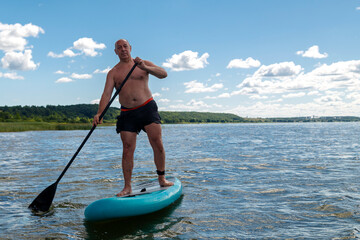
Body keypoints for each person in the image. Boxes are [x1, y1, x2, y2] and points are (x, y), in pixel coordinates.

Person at [93, 39, 173, 196]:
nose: (123, 49)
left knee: (157, 143)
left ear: (130, 48)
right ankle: (127, 186)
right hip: (128, 113)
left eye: (125, 46)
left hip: (147, 108)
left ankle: (162, 179)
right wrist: (99, 112)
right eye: (119, 48)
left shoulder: (142, 64)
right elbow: (106, 94)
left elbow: (164, 74)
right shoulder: (113, 73)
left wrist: (145, 67)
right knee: (127, 149)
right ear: (115, 51)